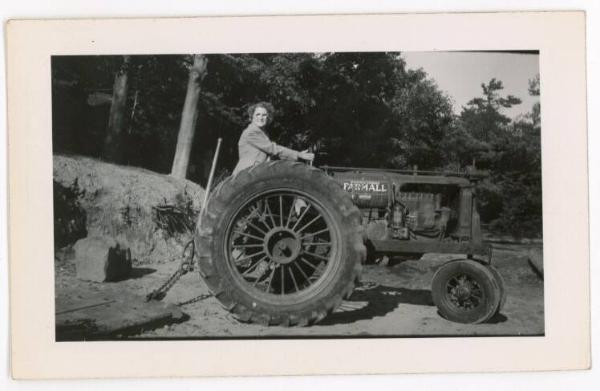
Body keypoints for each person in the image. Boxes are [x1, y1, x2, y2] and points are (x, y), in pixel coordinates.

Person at [232, 102, 314, 175]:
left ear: (268, 118)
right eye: (258, 114)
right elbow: (273, 149)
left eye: (264, 115)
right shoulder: (251, 133)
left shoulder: (262, 133)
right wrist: (299, 154)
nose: (261, 118)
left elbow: (273, 154)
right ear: (251, 117)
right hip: (246, 175)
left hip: (254, 174)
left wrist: (296, 156)